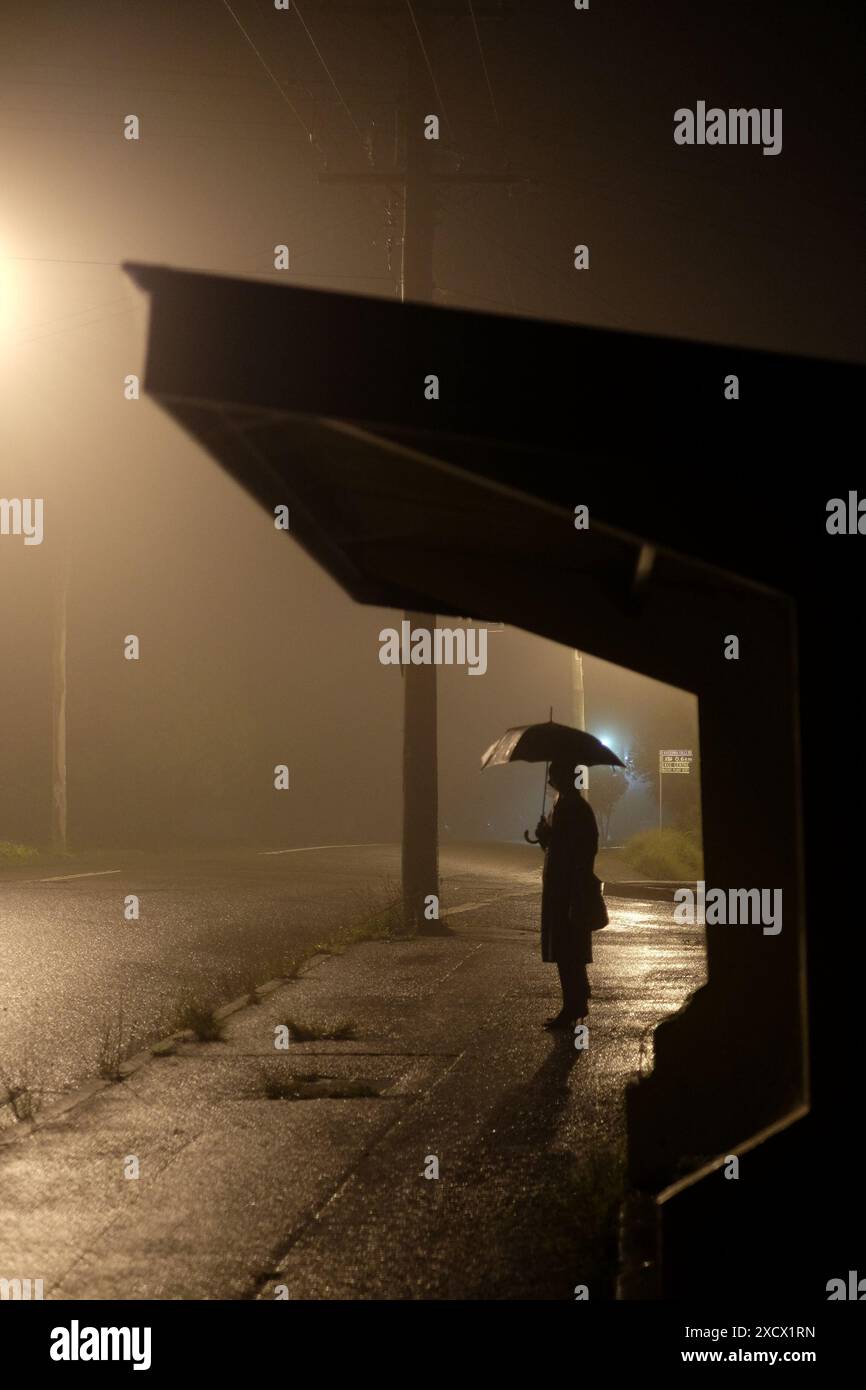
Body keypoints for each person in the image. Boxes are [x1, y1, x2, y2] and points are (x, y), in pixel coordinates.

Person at [534, 758, 608, 1029]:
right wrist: (547, 838)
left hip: (567, 889)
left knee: (567, 948)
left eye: (554, 774)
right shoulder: (569, 805)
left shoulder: (571, 807)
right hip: (565, 886)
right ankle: (577, 998)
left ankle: (573, 1005)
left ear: (566, 776)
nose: (550, 780)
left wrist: (548, 838)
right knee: (570, 947)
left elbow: (572, 849)